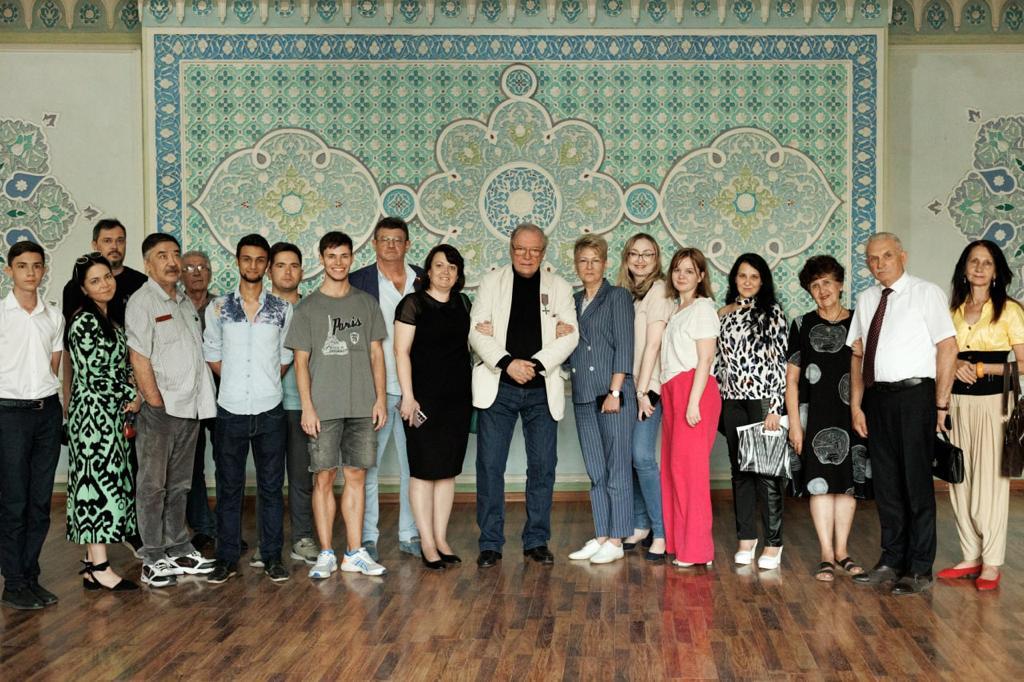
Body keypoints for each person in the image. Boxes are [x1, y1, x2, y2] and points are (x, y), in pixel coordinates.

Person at [848, 232, 957, 595]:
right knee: (886, 484)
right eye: (872, 258)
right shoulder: (866, 299)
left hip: (915, 397)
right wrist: (857, 405)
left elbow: (948, 348)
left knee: (916, 483)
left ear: (903, 257)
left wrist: (941, 404)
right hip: (877, 399)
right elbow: (858, 355)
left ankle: (919, 568)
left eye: (887, 256)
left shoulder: (927, 293)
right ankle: (891, 560)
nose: (879, 264)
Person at [469, 223, 579, 568]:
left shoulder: (560, 287)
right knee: (490, 467)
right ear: (511, 249)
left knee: (543, 467)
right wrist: (507, 363)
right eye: (521, 249)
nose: (527, 256)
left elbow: (570, 336)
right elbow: (476, 332)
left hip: (541, 390)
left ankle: (536, 540)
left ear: (543, 253)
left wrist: (535, 364)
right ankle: (490, 543)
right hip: (498, 387)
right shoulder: (491, 283)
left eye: (534, 250)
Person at [287, 231, 389, 578]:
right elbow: (300, 362)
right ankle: (327, 553)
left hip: (362, 405)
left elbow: (376, 355)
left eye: (344, 256)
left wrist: (380, 399)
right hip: (323, 408)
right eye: (331, 256)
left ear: (352, 258)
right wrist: (307, 407)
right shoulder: (307, 308)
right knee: (324, 478)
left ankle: (355, 553)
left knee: (357, 476)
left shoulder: (366, 303)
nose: (338, 262)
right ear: (321, 259)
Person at [126, 234, 218, 588]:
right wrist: (154, 401)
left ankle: (178, 546)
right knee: (153, 485)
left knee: (179, 484)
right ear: (148, 264)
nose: (172, 261)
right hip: (160, 409)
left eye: (175, 254)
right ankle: (152, 556)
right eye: (162, 255)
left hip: (190, 407)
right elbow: (139, 356)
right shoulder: (143, 301)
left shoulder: (182, 301)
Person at [203, 234, 293, 584]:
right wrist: (236, 381)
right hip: (230, 409)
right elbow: (212, 353)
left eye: (259, 260)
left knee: (271, 488)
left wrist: (264, 380)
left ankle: (272, 557)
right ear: (237, 261)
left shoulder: (282, 309)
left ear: (267, 266)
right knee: (229, 488)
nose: (252, 265)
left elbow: (285, 355)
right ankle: (225, 558)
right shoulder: (219, 308)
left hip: (270, 409)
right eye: (246, 259)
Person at [939, 240, 1024, 591]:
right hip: (958, 402)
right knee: (960, 478)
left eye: (987, 262)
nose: (979, 267)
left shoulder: (1010, 311)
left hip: (994, 404)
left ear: (996, 271)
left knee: (990, 482)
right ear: (964, 268)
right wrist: (957, 363)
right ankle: (971, 555)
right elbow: (940, 356)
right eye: (973, 261)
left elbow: (1023, 364)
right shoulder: (952, 311)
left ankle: (991, 561)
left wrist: (983, 367)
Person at [61, 219, 148, 557]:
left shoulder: (108, 320)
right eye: (95, 281)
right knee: (94, 487)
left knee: (110, 484)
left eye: (107, 277)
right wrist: (133, 395)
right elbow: (96, 375)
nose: (105, 284)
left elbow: (122, 365)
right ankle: (99, 568)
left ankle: (92, 561)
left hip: (110, 416)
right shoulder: (84, 321)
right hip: (93, 418)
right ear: (83, 289)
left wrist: (134, 388)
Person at [784, 255, 869, 582]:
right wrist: (795, 424)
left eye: (827, 283)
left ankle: (843, 552)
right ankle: (825, 554)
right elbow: (792, 379)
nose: (822, 290)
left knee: (846, 485)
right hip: (814, 414)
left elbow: (869, 369)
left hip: (851, 412)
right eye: (815, 286)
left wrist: (859, 407)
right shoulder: (801, 324)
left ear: (840, 284)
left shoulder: (858, 322)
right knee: (819, 485)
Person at [349, 217, 424, 560]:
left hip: (415, 390)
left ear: (408, 244)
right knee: (368, 467)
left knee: (414, 467)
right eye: (384, 239)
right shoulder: (358, 281)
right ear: (374, 244)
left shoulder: (424, 278)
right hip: (373, 390)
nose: (391, 245)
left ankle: (410, 533)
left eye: (397, 240)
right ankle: (367, 537)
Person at [394, 245, 473, 570]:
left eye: (452, 267)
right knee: (424, 471)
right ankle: (426, 542)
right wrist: (408, 397)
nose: (445, 272)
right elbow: (401, 352)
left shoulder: (463, 303)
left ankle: (441, 538)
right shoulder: (412, 304)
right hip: (422, 400)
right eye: (439, 265)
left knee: (447, 472)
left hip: (457, 400)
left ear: (458, 274)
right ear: (428, 270)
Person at [0, 242, 65, 610]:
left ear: (43, 270)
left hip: (46, 412)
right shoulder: (1, 314)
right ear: (9, 270)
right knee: (14, 501)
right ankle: (13, 582)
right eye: (22, 265)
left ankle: (30, 576)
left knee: (40, 501)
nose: (30, 272)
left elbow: (53, 365)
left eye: (36, 266)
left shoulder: (53, 316)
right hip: (9, 413)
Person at [565, 235, 635, 565]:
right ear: (576, 265)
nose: (589, 266)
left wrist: (615, 391)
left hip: (612, 394)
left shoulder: (618, 296)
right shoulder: (572, 301)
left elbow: (625, 345)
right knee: (595, 470)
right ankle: (602, 534)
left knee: (616, 468)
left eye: (595, 260)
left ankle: (618, 538)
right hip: (583, 393)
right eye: (583, 260)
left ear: (605, 264)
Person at [717, 253, 788, 570]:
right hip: (731, 400)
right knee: (740, 471)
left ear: (763, 282)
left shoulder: (772, 312)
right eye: (742, 275)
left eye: (754, 277)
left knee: (767, 473)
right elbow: (718, 363)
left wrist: (775, 407)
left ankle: (773, 543)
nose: (747, 282)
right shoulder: (723, 314)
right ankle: (746, 538)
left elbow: (780, 362)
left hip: (761, 401)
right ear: (734, 278)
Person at [659, 248, 721, 569]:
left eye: (689, 270)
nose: (681, 275)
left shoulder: (702, 308)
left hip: (692, 391)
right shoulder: (677, 310)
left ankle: (698, 550)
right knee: (673, 470)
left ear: (701, 276)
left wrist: (693, 401)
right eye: (677, 270)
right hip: (673, 391)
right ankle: (680, 543)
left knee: (690, 474)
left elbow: (705, 358)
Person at [617, 233, 675, 561]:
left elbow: (653, 345)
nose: (640, 260)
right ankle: (640, 523)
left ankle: (661, 531)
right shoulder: (627, 294)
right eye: (634, 254)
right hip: (627, 386)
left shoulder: (660, 291)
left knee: (642, 456)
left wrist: (642, 392)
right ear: (626, 258)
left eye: (647, 254)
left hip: (649, 387)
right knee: (629, 456)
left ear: (657, 259)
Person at [269, 242, 318, 566]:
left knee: (302, 478)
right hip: (267, 406)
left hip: (302, 406)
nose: (288, 271)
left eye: (294, 265)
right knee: (269, 479)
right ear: (270, 270)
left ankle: (302, 538)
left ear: (302, 271)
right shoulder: (258, 309)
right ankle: (267, 542)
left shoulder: (313, 308)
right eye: (281, 265)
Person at [180, 250, 217, 550]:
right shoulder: (174, 306)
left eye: (202, 267)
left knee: (227, 462)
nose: (197, 272)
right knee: (192, 466)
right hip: (187, 396)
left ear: (210, 273)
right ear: (180, 273)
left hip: (221, 393)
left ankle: (226, 529)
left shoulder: (222, 307)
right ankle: (203, 526)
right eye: (190, 267)